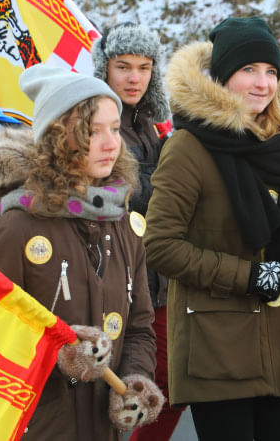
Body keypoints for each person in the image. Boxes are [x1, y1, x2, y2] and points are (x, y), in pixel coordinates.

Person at [143, 16, 280, 441]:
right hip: (217, 349)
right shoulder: (188, 146)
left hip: (276, 344)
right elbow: (161, 246)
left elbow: (277, 248)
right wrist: (252, 276)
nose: (263, 83)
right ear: (221, 77)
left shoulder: (279, 144)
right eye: (248, 70)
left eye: (271, 71)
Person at [0, 64, 163, 441]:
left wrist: (135, 381)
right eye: (93, 131)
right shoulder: (15, 229)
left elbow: (140, 327)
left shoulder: (123, 223)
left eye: (114, 128)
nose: (112, 143)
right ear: (58, 137)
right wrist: (56, 355)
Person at [91, 22, 182, 441]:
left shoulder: (152, 129)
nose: (134, 78)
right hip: (112, 275)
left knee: (164, 388)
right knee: (105, 397)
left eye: (144, 68)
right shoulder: (96, 125)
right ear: (104, 68)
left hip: (156, 278)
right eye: (123, 66)